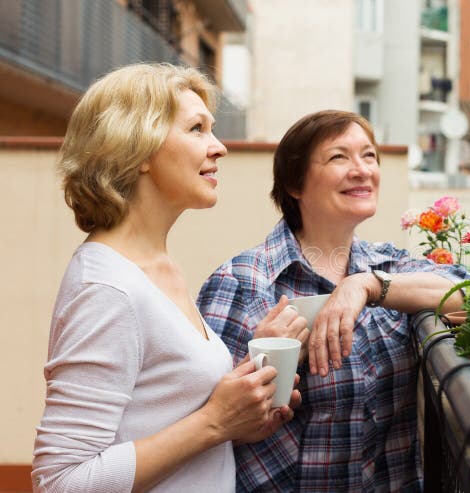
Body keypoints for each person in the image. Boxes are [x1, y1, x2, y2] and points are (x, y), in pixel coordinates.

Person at [32, 63, 302, 493]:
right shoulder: (107, 288)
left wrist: (242, 410)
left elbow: (162, 415)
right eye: (196, 129)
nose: (219, 148)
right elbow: (62, 481)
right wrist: (214, 422)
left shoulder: (157, 267)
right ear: (136, 149)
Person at [197, 110, 470, 492]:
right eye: (339, 157)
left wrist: (365, 286)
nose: (361, 170)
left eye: (369, 155)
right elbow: (202, 428)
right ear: (295, 184)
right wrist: (267, 365)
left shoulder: (388, 266)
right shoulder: (242, 281)